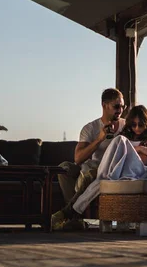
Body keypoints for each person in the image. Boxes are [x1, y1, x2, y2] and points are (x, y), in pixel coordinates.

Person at [54, 88, 127, 229]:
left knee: (91, 175)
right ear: (104, 105)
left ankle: (70, 215)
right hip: (92, 168)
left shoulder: (127, 126)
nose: (120, 110)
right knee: (64, 168)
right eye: (116, 106)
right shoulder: (90, 128)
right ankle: (75, 217)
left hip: (111, 171)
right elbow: (78, 158)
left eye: (123, 106)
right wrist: (99, 139)